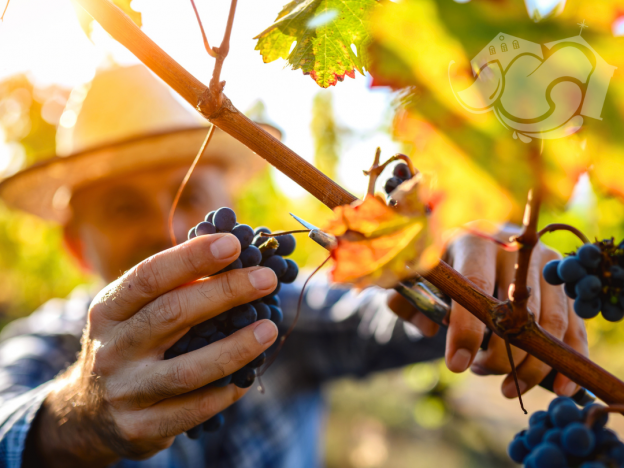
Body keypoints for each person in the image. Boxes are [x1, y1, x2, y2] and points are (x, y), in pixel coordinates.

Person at [0, 65, 587, 468]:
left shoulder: (281, 315)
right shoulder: (44, 349)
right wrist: (78, 414)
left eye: (192, 196)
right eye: (125, 207)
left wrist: (464, 272)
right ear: (77, 247)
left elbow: (382, 318)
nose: (172, 228)